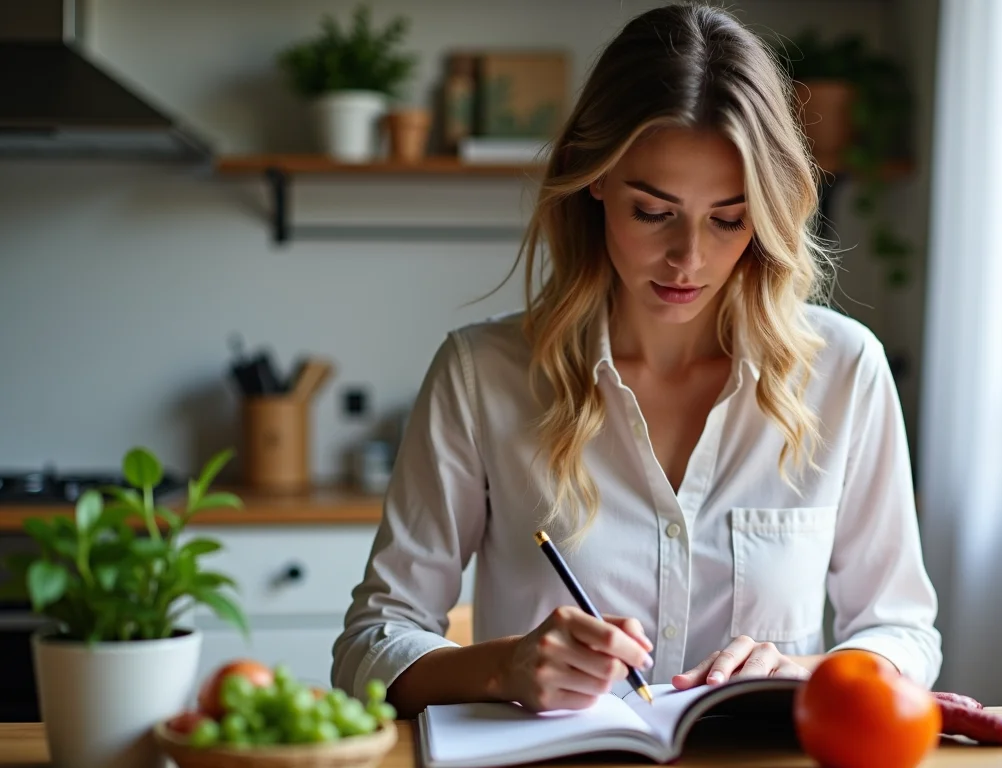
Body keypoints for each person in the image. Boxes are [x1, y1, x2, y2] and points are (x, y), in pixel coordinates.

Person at [332, 2, 941, 716]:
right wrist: (504, 668)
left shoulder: (843, 371)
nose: (689, 258)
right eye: (653, 212)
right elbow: (371, 641)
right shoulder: (481, 376)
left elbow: (902, 630)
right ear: (595, 180)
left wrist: (808, 670)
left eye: (729, 218)